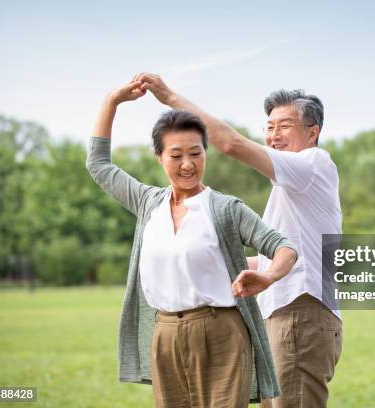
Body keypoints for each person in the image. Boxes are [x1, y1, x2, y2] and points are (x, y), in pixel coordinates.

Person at [85, 79, 298, 408]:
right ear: (159, 157)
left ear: (205, 154)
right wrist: (112, 100)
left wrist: (267, 277)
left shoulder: (226, 208)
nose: (187, 164)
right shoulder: (147, 204)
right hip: (166, 334)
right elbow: (98, 164)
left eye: (196, 153)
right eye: (176, 155)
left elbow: (284, 248)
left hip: (222, 333)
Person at [135, 73, 343, 408]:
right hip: (285, 314)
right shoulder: (293, 190)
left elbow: (232, 144)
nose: (274, 134)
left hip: (299, 313)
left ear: (312, 132)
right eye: (270, 126)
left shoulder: (312, 164)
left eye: (285, 125)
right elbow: (275, 259)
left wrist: (170, 97)